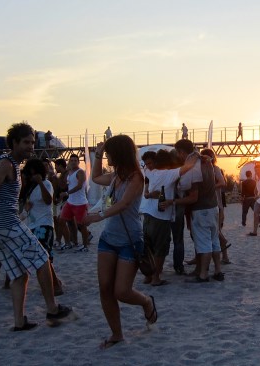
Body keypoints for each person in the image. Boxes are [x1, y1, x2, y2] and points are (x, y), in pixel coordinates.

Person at [0, 122, 71, 331]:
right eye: (26, 143)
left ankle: (19, 322)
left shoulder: (11, 164)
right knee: (42, 259)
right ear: (14, 143)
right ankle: (52, 309)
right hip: (5, 224)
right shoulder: (7, 164)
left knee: (19, 273)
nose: (31, 147)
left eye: (32, 142)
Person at [82, 136, 157, 348]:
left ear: (120, 153)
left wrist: (98, 216)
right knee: (105, 289)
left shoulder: (136, 178)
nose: (107, 156)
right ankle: (117, 334)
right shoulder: (115, 177)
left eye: (108, 153)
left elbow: (124, 204)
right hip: (108, 239)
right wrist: (97, 153)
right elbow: (95, 177)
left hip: (129, 240)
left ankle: (146, 301)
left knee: (121, 291)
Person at [168, 140, 224, 281]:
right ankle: (218, 271)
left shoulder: (193, 167)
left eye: (178, 153)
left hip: (201, 209)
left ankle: (202, 274)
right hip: (213, 206)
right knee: (214, 240)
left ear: (181, 152)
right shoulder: (206, 161)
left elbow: (193, 197)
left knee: (203, 244)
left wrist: (173, 201)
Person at [20, 158, 64, 296]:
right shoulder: (29, 188)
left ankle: (56, 285)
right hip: (32, 225)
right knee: (42, 257)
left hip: (44, 224)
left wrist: (40, 182)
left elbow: (48, 200)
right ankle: (55, 282)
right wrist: (26, 207)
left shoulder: (46, 184)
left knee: (43, 256)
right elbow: (24, 205)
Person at [140, 149, 181, 286]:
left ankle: (148, 276)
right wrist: (197, 157)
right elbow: (187, 168)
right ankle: (156, 278)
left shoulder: (151, 172)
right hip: (160, 216)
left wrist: (148, 192)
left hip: (147, 213)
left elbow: (146, 178)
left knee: (149, 246)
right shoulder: (169, 174)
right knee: (160, 247)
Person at [59, 154, 91, 252]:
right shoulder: (69, 172)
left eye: (75, 160)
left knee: (81, 225)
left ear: (78, 162)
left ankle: (85, 246)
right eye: (71, 160)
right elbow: (64, 183)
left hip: (80, 203)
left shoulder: (80, 172)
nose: (73, 162)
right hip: (70, 202)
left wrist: (66, 193)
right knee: (61, 220)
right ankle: (69, 243)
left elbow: (79, 186)